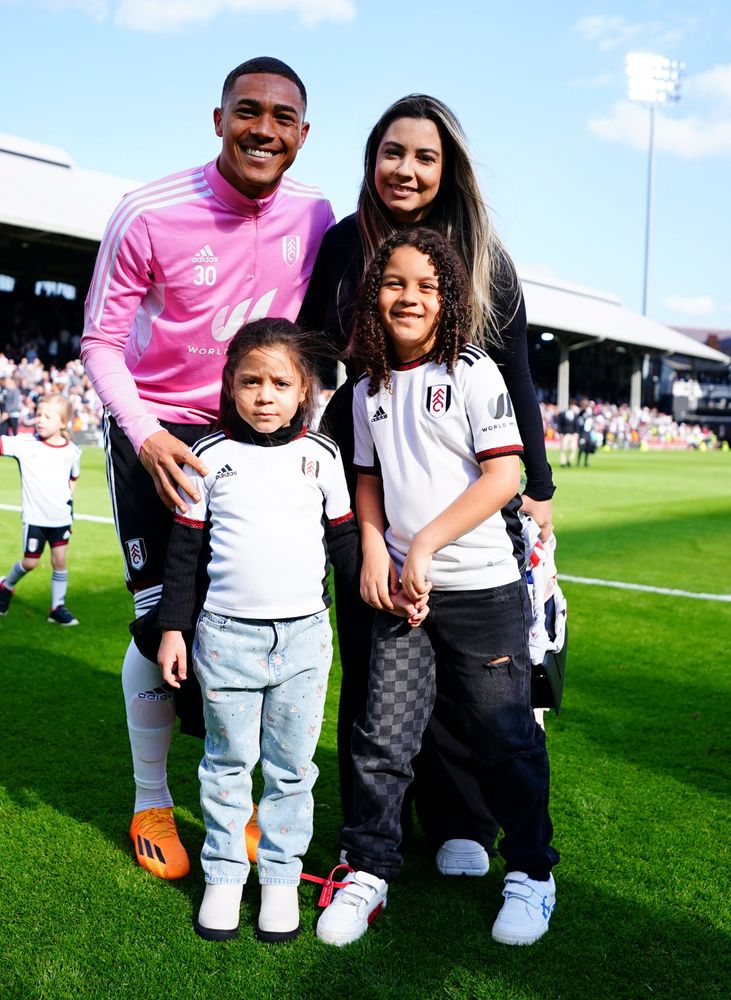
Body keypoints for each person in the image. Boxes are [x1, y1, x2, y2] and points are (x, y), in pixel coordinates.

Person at [80, 56, 335, 880]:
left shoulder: (317, 214)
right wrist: (147, 435)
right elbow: (99, 341)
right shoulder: (147, 211)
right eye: (248, 112)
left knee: (252, 617)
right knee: (161, 620)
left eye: (283, 118)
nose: (264, 129)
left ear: (302, 132)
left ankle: (243, 803)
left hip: (260, 434)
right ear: (218, 117)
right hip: (162, 435)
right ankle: (150, 797)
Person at [298, 94, 555, 869]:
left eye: (424, 156)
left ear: (447, 171)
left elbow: (517, 377)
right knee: (375, 650)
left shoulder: (480, 255)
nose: (404, 169)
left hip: (460, 492)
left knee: (461, 676)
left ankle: (458, 823)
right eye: (391, 152)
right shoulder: (345, 244)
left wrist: (536, 489)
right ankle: (371, 832)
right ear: (370, 160)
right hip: (362, 478)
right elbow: (313, 352)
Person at [315, 228, 559, 948]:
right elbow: (366, 477)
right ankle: (367, 870)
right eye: (394, 283)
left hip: (480, 592)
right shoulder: (366, 388)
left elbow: (504, 477)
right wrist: (371, 543)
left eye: (426, 286)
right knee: (380, 738)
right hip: (399, 595)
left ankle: (531, 874)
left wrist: (423, 542)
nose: (409, 297)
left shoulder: (474, 371)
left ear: (448, 297)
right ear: (373, 293)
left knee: (504, 738)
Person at [153, 318, 424, 942]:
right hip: (224, 638)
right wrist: (173, 630)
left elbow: (348, 544)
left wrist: (384, 596)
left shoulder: (321, 458)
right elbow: (184, 556)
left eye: (280, 382)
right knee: (227, 762)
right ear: (230, 384)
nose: (265, 395)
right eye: (251, 382)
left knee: (291, 768)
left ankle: (279, 876)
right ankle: (225, 874)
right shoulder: (209, 458)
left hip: (304, 640)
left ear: (305, 389)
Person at [0, 395, 81, 625]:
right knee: (30, 563)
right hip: (35, 519)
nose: (40, 420)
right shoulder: (25, 444)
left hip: (61, 519)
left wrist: (69, 508)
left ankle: (57, 607)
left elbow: (73, 478)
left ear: (63, 422)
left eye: (47, 416)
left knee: (60, 561)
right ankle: (6, 584)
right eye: (39, 415)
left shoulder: (72, 451)